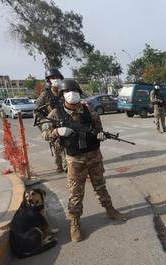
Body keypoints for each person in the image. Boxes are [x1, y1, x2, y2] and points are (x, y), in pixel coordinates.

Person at [41, 79, 129, 242]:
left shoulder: (90, 111)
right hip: (75, 160)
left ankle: (110, 210)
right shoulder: (55, 114)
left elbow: (98, 130)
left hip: (94, 156)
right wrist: (57, 131)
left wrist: (101, 135)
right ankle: (74, 222)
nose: (72, 95)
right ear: (62, 95)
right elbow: (44, 134)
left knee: (100, 186)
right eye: (68, 92)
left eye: (75, 92)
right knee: (75, 193)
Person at [35, 68, 67, 173]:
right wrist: (46, 123)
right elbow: (36, 111)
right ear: (49, 80)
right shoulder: (45, 94)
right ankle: (61, 166)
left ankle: (66, 166)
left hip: (65, 121)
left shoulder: (64, 92)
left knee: (66, 145)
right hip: (52, 124)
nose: (56, 80)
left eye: (58, 78)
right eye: (53, 78)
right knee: (57, 146)